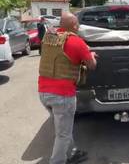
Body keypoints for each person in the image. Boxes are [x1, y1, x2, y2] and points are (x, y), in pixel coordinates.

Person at [38, 12, 97, 164]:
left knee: (63, 127)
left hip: (43, 92)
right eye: (77, 24)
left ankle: (71, 153)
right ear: (75, 26)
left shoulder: (49, 38)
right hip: (62, 95)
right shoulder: (77, 42)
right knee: (63, 134)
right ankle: (57, 161)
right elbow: (91, 65)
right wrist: (90, 54)